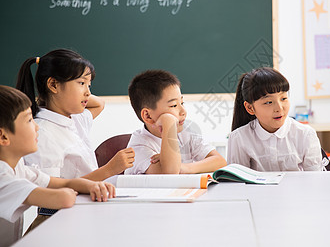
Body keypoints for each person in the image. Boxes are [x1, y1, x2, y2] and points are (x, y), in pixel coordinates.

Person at [0, 85, 115, 246]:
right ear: (3, 136)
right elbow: (62, 198)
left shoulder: (17, 166)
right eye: (29, 120)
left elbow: (63, 183)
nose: (37, 126)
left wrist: (91, 185)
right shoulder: (3, 177)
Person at [16, 49, 135, 181]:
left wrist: (44, 98)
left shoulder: (75, 118)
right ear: (53, 85)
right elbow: (51, 191)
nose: (88, 93)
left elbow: (99, 104)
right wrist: (109, 170)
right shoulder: (42, 134)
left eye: (89, 85)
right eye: (81, 83)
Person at [125, 70, 227, 174]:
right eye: (173, 105)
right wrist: (168, 122)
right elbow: (170, 174)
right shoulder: (139, 147)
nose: (183, 111)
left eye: (182, 103)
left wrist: (185, 168)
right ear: (148, 115)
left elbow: (220, 161)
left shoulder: (186, 133)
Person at [227, 67, 322, 171]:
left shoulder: (305, 134)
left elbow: (315, 180)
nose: (279, 108)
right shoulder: (238, 138)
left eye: (283, 98)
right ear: (250, 108)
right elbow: (238, 184)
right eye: (268, 102)